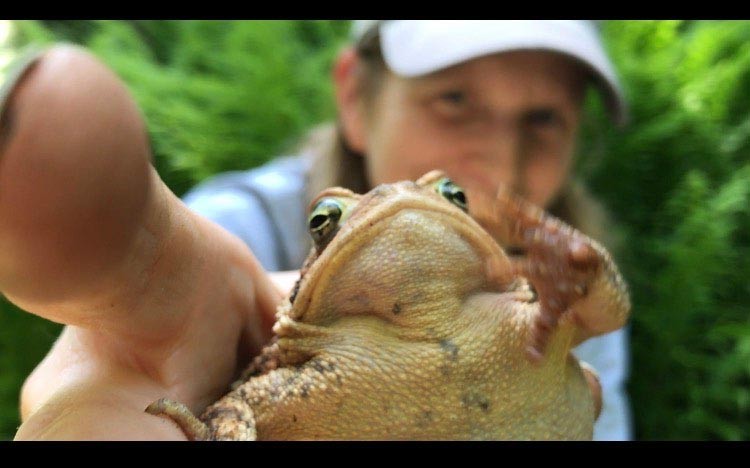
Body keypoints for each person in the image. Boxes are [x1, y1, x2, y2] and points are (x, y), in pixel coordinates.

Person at [2, 20, 630, 440]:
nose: (499, 156)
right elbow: (188, 362)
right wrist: (118, 372)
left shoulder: (543, 291)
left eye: (543, 117)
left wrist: (584, 270)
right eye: (455, 100)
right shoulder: (240, 224)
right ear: (355, 97)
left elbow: (605, 320)